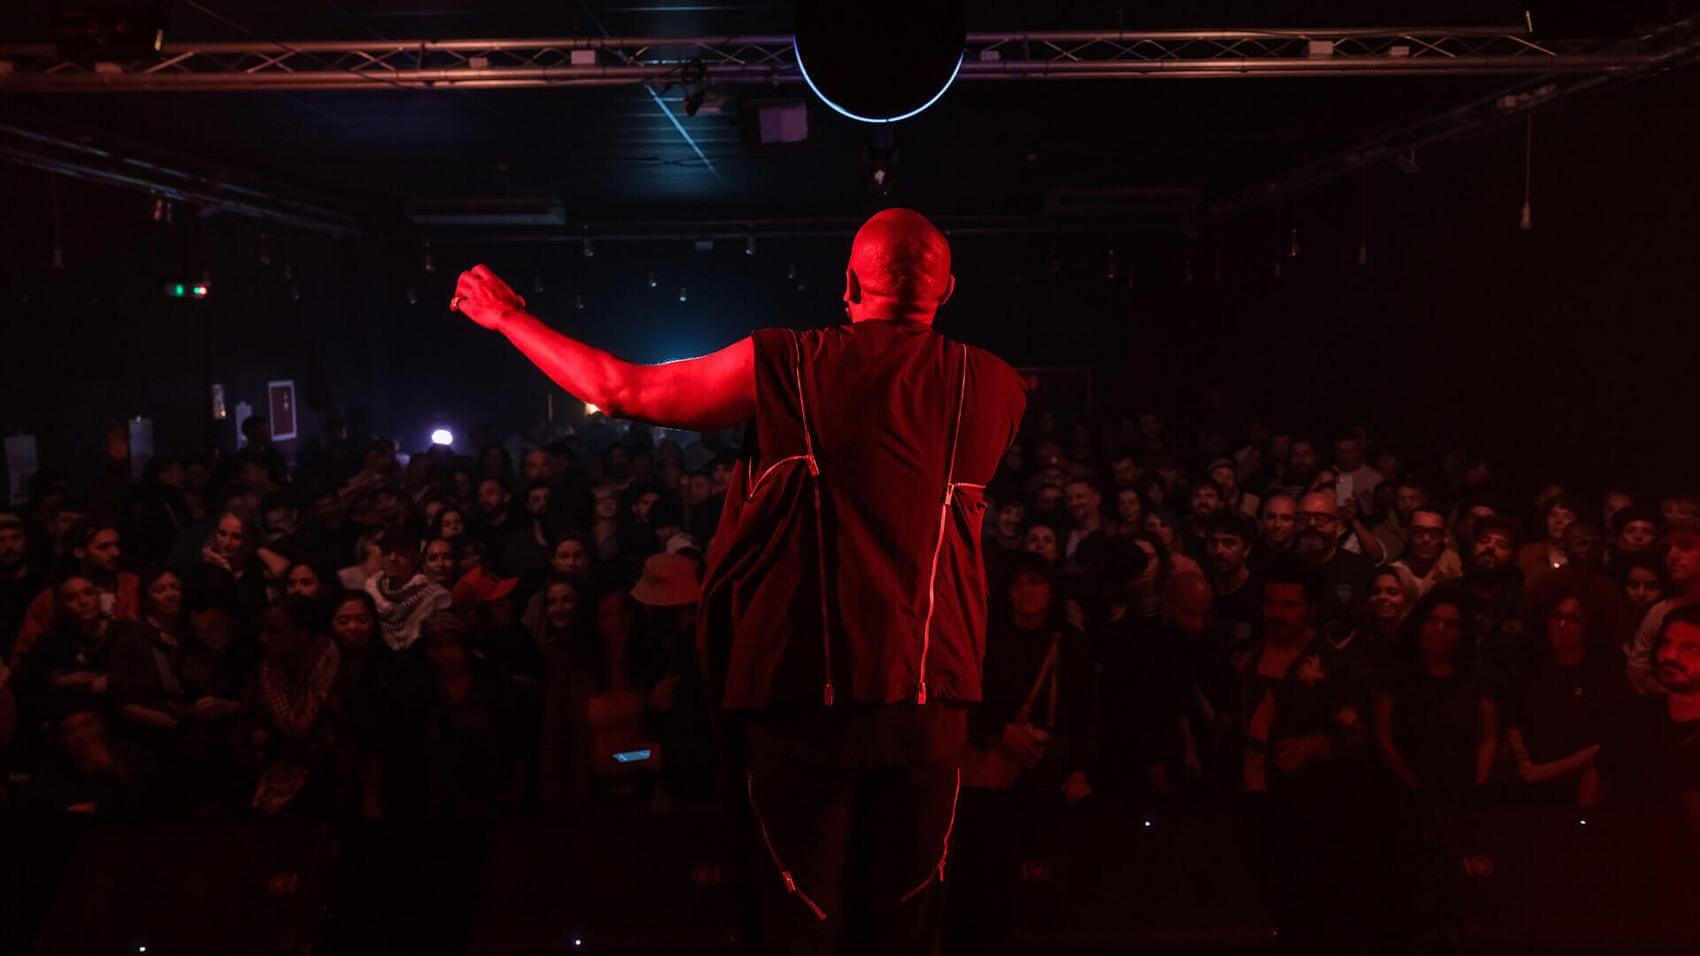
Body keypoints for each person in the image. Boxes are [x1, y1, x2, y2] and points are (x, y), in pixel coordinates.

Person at [454, 207, 1026, 954]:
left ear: (849, 283)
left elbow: (624, 388)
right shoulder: (997, 386)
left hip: (802, 703)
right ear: (947, 290)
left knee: (800, 924)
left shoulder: (792, 363)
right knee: (907, 926)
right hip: (932, 706)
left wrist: (506, 319)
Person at [965, 554, 1094, 803]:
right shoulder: (986, 641)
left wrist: (1080, 772)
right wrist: (1001, 731)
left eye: (1035, 582)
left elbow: (1086, 711)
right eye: (1017, 583)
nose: (1025, 591)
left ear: (1051, 590)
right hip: (994, 764)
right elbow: (964, 701)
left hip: (1051, 771)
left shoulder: (1070, 643)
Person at [1504, 583, 1629, 806]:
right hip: (1526, 778)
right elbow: (1512, 718)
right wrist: (1524, 761)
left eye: (1574, 619)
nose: (1561, 624)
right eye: (1556, 616)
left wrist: (1545, 771)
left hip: (1580, 782)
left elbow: (1607, 742)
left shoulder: (1604, 671)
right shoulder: (1530, 663)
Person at [1374, 587, 1497, 796]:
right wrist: (1413, 789)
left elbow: (1488, 738)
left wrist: (1479, 785)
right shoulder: (1397, 675)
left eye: (1451, 624)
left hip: (1463, 793)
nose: (1440, 629)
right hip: (1404, 793)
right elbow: (1384, 739)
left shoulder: (1475, 679)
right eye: (1433, 620)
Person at [1599, 604, 1700, 830]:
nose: (1670, 656)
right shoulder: (1636, 712)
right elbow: (1599, 775)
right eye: (1666, 643)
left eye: (1689, 647)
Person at [12, 519, 140, 665]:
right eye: (104, 547)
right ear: (80, 552)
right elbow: (23, 657)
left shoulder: (135, 586)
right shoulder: (52, 598)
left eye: (117, 545)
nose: (115, 553)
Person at [1625, 517, 1700, 694]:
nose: (1672, 555)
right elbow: (1637, 669)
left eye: (1685, 546)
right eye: (1668, 548)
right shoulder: (1661, 612)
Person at [1292, 492, 1375, 636]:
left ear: (1338, 525)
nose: (1311, 525)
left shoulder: (1360, 569)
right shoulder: (1281, 567)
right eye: (1303, 518)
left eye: (1321, 519)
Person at [363, 525, 452, 654]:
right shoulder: (371, 591)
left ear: (416, 557)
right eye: (387, 552)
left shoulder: (435, 597)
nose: (393, 558)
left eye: (402, 552)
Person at [1390, 507, 1463, 599]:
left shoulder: (1450, 569)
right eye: (1418, 531)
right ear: (1407, 534)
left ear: (1444, 538)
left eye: (1434, 533)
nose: (1426, 539)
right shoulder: (1392, 575)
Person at [1518, 493, 1584, 589]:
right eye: (1553, 515)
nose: (1558, 521)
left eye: (1567, 516)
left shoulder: (1583, 556)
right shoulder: (1528, 553)